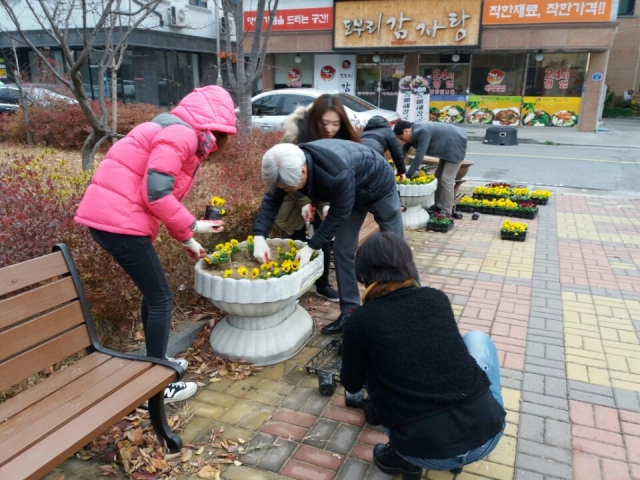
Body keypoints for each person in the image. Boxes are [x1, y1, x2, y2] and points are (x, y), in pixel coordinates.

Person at [75, 85, 237, 403]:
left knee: (155, 295)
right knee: (161, 297)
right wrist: (193, 224)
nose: (220, 144)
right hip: (120, 224)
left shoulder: (170, 129)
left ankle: (156, 362)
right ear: (215, 125)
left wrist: (186, 238)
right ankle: (159, 385)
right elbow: (156, 194)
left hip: (116, 222)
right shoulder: (183, 136)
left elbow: (158, 197)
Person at [341, 232, 506, 479]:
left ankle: (402, 460)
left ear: (364, 274)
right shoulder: (436, 299)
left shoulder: (361, 320)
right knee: (477, 339)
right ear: (407, 264)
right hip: (487, 436)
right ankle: (456, 453)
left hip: (420, 451)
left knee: (375, 367)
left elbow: (351, 384)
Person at [252, 139, 405, 335]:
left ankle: (407, 304)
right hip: (351, 189)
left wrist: (311, 247)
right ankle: (350, 312)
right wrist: (259, 237)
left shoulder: (335, 172)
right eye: (284, 189)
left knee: (395, 249)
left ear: (304, 171)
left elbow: (338, 215)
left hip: (378, 186)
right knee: (342, 250)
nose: (289, 192)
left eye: (290, 188)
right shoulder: (286, 165)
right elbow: (272, 200)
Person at [275, 94, 361, 303]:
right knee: (298, 244)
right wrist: (304, 202)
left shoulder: (340, 139)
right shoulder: (295, 136)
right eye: (325, 124)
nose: (330, 129)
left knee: (323, 243)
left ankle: (322, 285)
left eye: (335, 124)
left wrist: (330, 204)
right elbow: (282, 179)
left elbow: (339, 178)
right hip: (295, 202)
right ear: (315, 120)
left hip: (322, 201)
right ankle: (292, 290)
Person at [394, 120, 467, 219]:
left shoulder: (423, 131)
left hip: (455, 146)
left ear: (406, 131)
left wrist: (408, 175)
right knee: (438, 176)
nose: (403, 140)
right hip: (447, 148)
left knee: (446, 179)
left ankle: (447, 211)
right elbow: (403, 150)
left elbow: (420, 155)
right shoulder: (414, 132)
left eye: (401, 138)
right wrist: (398, 169)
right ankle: (438, 206)